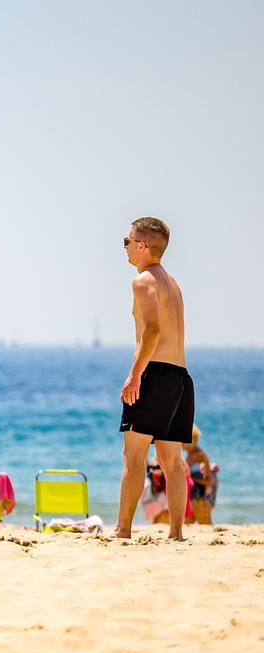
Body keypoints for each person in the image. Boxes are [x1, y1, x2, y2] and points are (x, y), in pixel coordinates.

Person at [114, 217, 193, 541]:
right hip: (180, 377)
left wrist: (135, 376)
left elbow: (152, 331)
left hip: (155, 373)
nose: (125, 247)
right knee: (171, 461)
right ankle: (176, 533)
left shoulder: (143, 281)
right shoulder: (172, 283)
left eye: (127, 241)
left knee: (133, 457)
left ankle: (122, 530)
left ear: (143, 245)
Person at [184, 424, 218, 525]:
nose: (181, 444)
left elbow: (209, 480)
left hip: (205, 494)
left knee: (205, 521)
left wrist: (190, 478)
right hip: (196, 493)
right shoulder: (189, 455)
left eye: (183, 441)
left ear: (193, 440)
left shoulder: (201, 455)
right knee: (190, 521)